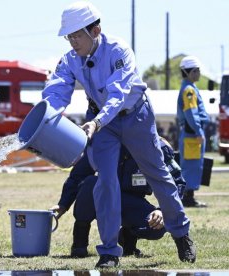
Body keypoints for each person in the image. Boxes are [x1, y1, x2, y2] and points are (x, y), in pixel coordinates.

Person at [42, 1, 195, 267]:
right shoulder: (69, 60)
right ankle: (110, 252)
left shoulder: (119, 51)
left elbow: (118, 95)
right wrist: (45, 120)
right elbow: (56, 93)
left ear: (96, 30)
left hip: (135, 116)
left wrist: (96, 123)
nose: (72, 42)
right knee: (105, 183)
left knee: (158, 174)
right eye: (69, 37)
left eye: (77, 35)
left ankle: (181, 234)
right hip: (103, 123)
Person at [51, 138, 186, 258]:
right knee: (90, 183)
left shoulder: (157, 146)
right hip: (106, 199)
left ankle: (128, 236)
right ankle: (79, 242)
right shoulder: (104, 143)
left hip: (133, 203)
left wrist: (162, 210)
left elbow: (177, 181)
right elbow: (78, 175)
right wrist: (63, 203)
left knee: (157, 227)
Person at [177, 56, 210, 208]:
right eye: (197, 71)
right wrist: (198, 131)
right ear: (190, 72)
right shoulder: (189, 90)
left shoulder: (189, 87)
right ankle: (188, 198)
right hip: (192, 134)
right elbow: (191, 112)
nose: (199, 73)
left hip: (191, 133)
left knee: (193, 165)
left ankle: (189, 197)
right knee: (191, 166)